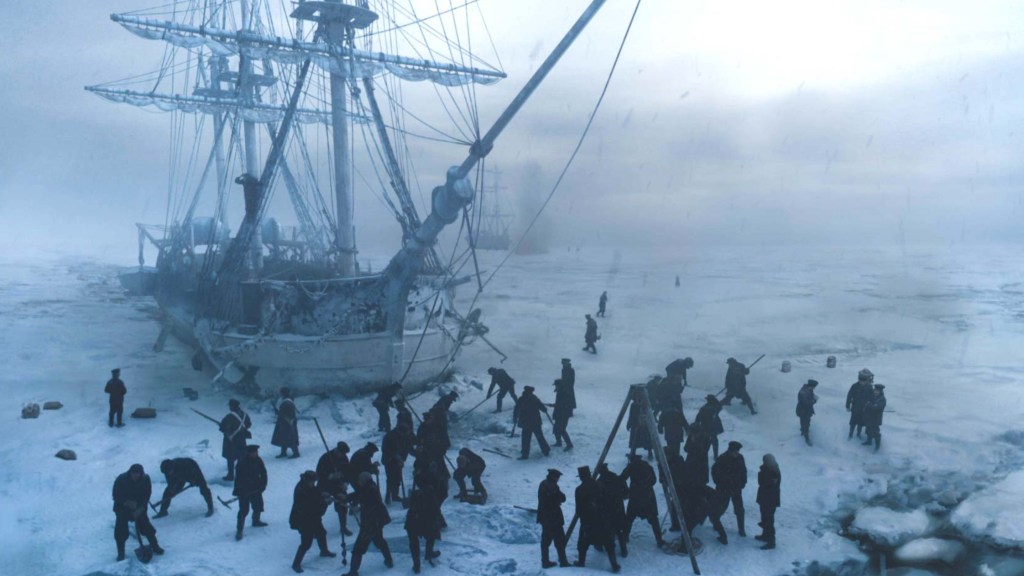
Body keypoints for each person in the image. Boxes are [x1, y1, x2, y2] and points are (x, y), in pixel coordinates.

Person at [344, 472, 394, 576]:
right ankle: (389, 560)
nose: (358, 482)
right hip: (377, 521)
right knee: (379, 540)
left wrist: (351, 502)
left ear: (364, 480)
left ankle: (353, 571)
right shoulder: (370, 487)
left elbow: (362, 497)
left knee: (358, 547)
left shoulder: (369, 490)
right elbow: (359, 495)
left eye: (360, 480)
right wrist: (346, 498)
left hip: (370, 523)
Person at [112, 463, 163, 561]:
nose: (135, 475)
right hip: (122, 508)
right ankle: (121, 553)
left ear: (141, 473)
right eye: (133, 473)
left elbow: (147, 494)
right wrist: (126, 502)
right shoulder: (121, 479)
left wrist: (141, 508)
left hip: (139, 507)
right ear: (130, 473)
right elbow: (115, 495)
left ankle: (155, 546)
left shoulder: (145, 479)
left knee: (146, 527)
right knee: (121, 531)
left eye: (138, 473)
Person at [574, 466, 620, 572]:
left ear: (581, 477)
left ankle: (581, 562)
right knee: (608, 543)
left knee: (582, 544)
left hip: (588, 521)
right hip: (603, 520)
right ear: (589, 474)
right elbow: (608, 502)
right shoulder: (600, 485)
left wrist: (585, 518)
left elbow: (579, 510)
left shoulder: (579, 490)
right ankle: (614, 565)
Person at [289, 470, 336, 573]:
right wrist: (325, 503)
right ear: (307, 480)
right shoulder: (301, 491)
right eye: (312, 481)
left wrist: (322, 494)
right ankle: (296, 564)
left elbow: (314, 492)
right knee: (306, 543)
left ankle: (324, 551)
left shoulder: (306, 485)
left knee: (321, 533)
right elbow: (311, 506)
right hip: (304, 520)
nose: (314, 483)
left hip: (313, 518)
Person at [621, 453, 665, 548]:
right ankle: (659, 540)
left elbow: (622, 478)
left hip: (635, 495)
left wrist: (627, 490)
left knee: (629, 517)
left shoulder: (631, 466)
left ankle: (625, 536)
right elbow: (653, 480)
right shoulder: (647, 466)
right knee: (653, 518)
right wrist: (646, 485)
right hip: (648, 495)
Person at [405, 470, 442, 574]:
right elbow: (435, 510)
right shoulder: (430, 493)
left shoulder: (416, 493)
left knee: (414, 541)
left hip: (412, 521)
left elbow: (411, 506)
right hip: (424, 521)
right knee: (432, 534)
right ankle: (428, 553)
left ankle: (416, 564)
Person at [711, 440, 747, 541]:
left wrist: (743, 483)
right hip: (724, 489)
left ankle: (741, 529)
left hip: (736, 488)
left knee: (739, 509)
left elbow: (743, 471)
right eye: (735, 451)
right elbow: (714, 472)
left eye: (737, 451)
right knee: (721, 508)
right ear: (730, 450)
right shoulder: (722, 459)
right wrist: (720, 483)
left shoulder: (740, 458)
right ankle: (716, 523)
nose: (736, 453)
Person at [316, 441, 352, 536]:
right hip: (324, 485)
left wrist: (345, 482)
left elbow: (348, 472)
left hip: (338, 485)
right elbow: (319, 473)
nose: (342, 455)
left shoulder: (344, 458)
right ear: (337, 450)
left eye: (344, 454)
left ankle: (343, 527)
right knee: (320, 507)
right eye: (341, 453)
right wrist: (330, 476)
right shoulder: (326, 457)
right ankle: (316, 529)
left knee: (342, 505)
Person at [234, 444, 268, 541]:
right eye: (253, 453)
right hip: (244, 491)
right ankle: (239, 530)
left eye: (256, 452)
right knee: (243, 511)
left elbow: (263, 473)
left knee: (258, 506)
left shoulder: (258, 460)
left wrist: (263, 485)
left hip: (256, 489)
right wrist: (240, 491)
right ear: (249, 453)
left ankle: (256, 521)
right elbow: (238, 479)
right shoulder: (242, 462)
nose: (255, 454)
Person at [537, 468, 571, 568]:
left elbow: (561, 498)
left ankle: (547, 561)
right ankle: (561, 561)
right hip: (552, 517)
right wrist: (557, 499)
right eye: (557, 477)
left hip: (548, 517)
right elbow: (560, 498)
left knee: (549, 540)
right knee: (557, 540)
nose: (558, 479)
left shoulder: (547, 484)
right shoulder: (550, 485)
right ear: (553, 476)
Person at [595, 463, 629, 557]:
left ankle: (604, 546)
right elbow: (626, 493)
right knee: (620, 529)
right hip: (618, 508)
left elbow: (597, 498)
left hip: (606, 510)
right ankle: (624, 549)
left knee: (606, 529)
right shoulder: (617, 478)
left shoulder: (599, 482)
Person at [513, 386, 551, 459]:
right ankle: (546, 450)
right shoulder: (534, 399)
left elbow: (516, 409)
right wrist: (544, 409)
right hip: (536, 422)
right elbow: (543, 409)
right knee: (540, 437)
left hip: (526, 422)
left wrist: (515, 418)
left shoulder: (521, 399)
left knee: (526, 439)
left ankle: (525, 454)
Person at [382, 423, 414, 505]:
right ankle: (388, 496)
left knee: (397, 478)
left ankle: (395, 495)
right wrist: (396, 457)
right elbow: (386, 450)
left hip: (399, 461)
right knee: (390, 478)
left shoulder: (404, 437)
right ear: (400, 432)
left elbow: (408, 448)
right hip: (389, 461)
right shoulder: (390, 436)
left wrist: (417, 454)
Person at [220, 398, 252, 481]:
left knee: (230, 457)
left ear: (232, 406)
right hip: (241, 439)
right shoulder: (245, 415)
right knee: (241, 456)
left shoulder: (229, 416)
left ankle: (231, 475)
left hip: (231, 441)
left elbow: (222, 427)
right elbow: (248, 424)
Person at [755, 454, 781, 550]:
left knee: (768, 520)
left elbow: (763, 482)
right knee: (765, 518)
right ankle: (765, 535)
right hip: (766, 498)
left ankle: (771, 541)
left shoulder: (773, 471)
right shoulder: (770, 469)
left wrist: (761, 473)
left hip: (769, 499)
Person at [272, 387, 300, 458]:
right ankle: (283, 452)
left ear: (283, 393)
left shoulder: (287, 402)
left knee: (291, 438)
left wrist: (277, 412)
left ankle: (296, 453)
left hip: (287, 423)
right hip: (285, 422)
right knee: (283, 437)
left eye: (281, 393)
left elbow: (285, 413)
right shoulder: (287, 401)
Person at [694, 395, 725, 459]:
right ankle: (715, 456)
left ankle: (703, 454)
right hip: (713, 427)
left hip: (705, 427)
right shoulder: (715, 407)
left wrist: (696, 425)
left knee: (705, 441)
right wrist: (715, 400)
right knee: (714, 441)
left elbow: (698, 418)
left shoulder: (703, 408)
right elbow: (720, 406)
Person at [846, 369, 874, 439]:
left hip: (864, 409)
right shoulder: (854, 386)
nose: (862, 382)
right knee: (853, 422)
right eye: (860, 380)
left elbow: (872, 397)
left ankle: (858, 433)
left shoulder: (869, 387)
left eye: (864, 381)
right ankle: (850, 433)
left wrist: (871, 406)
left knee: (860, 423)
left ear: (866, 381)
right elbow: (849, 396)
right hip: (855, 407)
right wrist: (847, 405)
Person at [551, 378, 575, 451]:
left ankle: (569, 444)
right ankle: (558, 442)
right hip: (560, 414)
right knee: (556, 429)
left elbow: (563, 405)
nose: (555, 386)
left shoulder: (563, 393)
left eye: (556, 385)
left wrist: (555, 405)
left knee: (561, 430)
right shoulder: (560, 392)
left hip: (563, 415)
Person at [862, 384, 887, 452]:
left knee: (876, 432)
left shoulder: (882, 399)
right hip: (869, 417)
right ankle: (869, 441)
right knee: (868, 429)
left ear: (880, 391)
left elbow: (877, 407)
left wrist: (871, 405)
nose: (876, 392)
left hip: (876, 419)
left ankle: (877, 446)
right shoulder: (871, 396)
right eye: (875, 390)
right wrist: (870, 405)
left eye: (877, 391)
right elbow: (866, 404)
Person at [796, 379, 819, 446]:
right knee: (805, 423)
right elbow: (806, 403)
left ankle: (803, 431)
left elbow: (810, 396)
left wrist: (813, 397)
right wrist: (814, 400)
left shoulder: (808, 390)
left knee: (805, 422)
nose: (814, 388)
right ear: (811, 386)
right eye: (814, 387)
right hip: (803, 411)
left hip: (806, 411)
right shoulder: (803, 392)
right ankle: (807, 438)